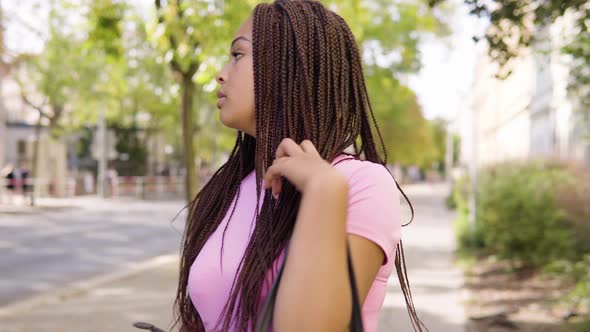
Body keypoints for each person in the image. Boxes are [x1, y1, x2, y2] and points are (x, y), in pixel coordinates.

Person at [175, 1, 427, 331]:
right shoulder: (232, 186)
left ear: (287, 65)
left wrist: (323, 191)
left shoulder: (361, 183)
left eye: (238, 55)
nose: (221, 73)